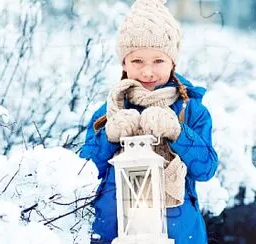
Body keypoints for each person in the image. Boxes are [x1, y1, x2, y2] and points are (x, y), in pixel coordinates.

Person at [79, 0, 219, 243]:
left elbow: (206, 169)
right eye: (137, 61)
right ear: (123, 63)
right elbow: (83, 175)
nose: (147, 72)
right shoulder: (108, 111)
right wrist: (108, 137)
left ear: (173, 62)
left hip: (179, 234)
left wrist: (178, 133)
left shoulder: (192, 109)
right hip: (112, 233)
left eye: (158, 61)